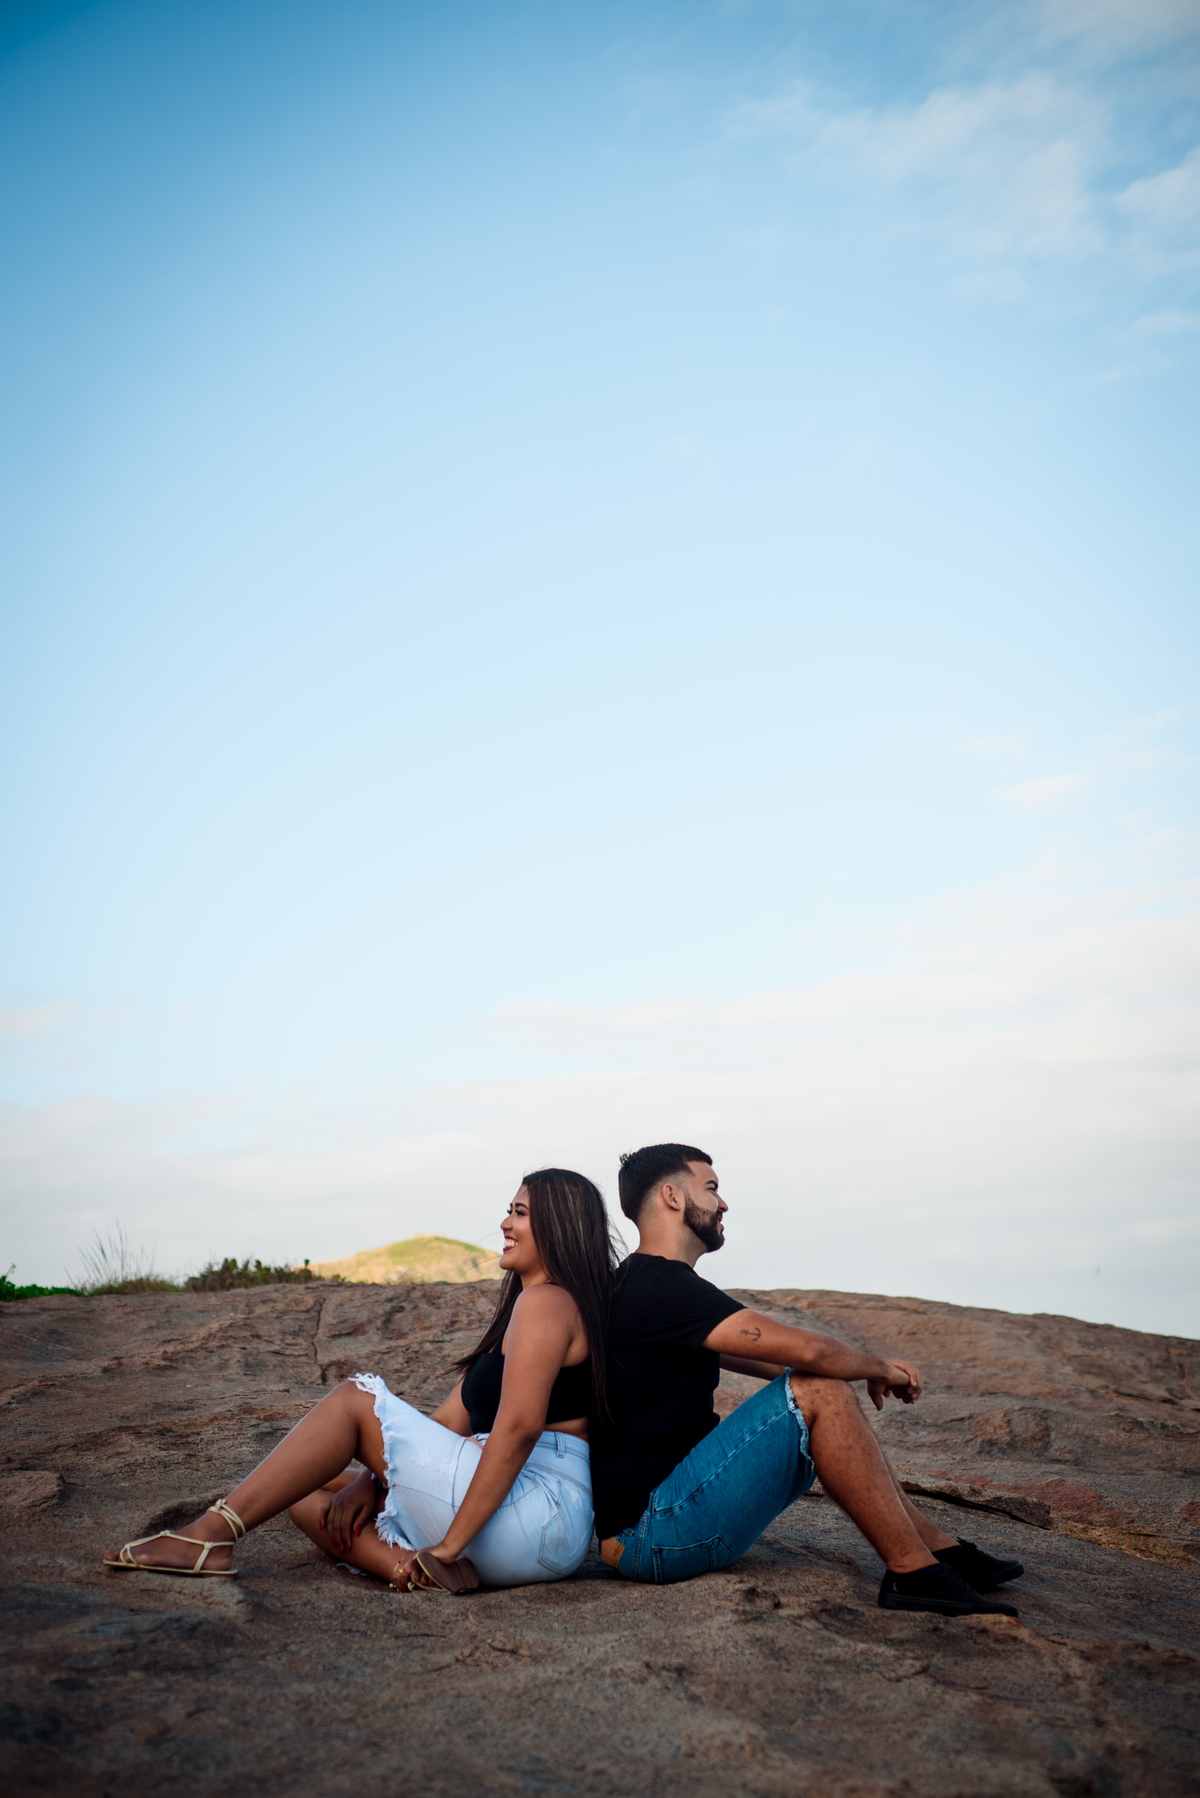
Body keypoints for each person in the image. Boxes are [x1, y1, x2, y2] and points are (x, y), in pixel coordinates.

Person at [104, 1168, 618, 1593]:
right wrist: (369, 1480)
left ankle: (208, 1536)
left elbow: (520, 1430)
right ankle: (407, 1569)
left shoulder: (547, 1303)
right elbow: (445, 1422)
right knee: (301, 1488)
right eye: (509, 1209)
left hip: (536, 1508)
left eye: (520, 1213)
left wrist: (449, 1545)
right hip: (525, 1526)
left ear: (558, 1226)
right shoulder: (529, 1311)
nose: (504, 1222)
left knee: (354, 1401)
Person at [591, 1144, 1026, 1617]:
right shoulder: (661, 1286)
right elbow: (810, 1352)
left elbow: (781, 1361)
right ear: (672, 1196)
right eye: (712, 1189)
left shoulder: (643, 1285)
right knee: (818, 1389)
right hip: (654, 1532)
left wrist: (847, 1369)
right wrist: (881, 1369)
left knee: (818, 1384)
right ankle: (912, 1573)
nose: (723, 1204)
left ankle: (935, 1548)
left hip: (659, 1522)